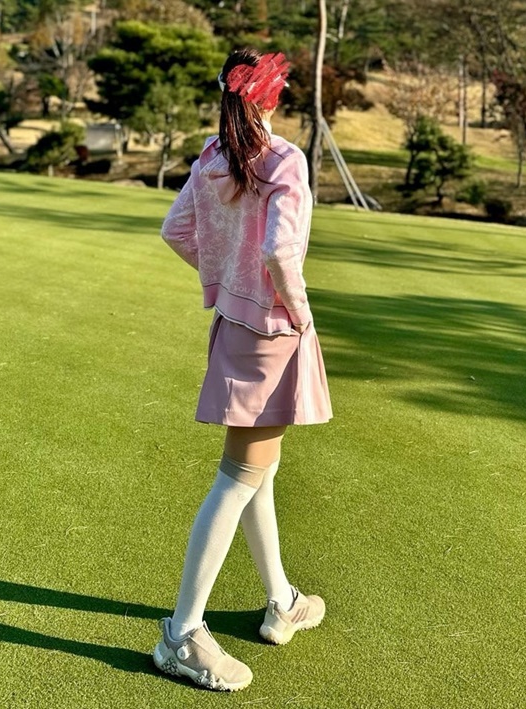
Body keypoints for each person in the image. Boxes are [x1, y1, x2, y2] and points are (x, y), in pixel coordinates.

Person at [153, 48, 332, 692]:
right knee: (238, 478)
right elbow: (280, 251)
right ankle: (180, 635)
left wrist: (224, 279)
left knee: (260, 471)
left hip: (233, 324)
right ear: (272, 96)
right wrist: (300, 312)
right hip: (272, 334)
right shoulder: (283, 159)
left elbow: (176, 231)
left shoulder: (213, 156)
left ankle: (282, 600)